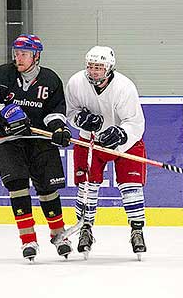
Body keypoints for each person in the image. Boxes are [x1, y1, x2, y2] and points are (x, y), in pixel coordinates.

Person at [0, 34, 73, 261]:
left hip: (40, 140)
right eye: (16, 53)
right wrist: (7, 115)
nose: (18, 57)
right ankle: (28, 240)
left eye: (24, 54)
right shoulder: (0, 75)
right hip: (8, 140)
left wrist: (59, 129)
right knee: (18, 187)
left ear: (36, 55)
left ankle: (59, 234)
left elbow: (55, 110)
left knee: (47, 188)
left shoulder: (50, 79)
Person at [65, 46, 147, 258]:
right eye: (91, 66)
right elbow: (70, 111)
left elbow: (135, 122)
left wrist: (121, 134)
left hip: (126, 144)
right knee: (86, 186)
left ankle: (137, 231)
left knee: (131, 187)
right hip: (89, 140)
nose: (94, 71)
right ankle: (85, 229)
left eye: (99, 67)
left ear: (109, 68)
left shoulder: (124, 87)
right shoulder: (76, 83)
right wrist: (79, 119)